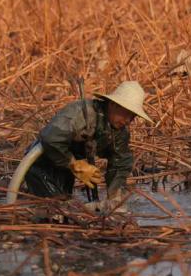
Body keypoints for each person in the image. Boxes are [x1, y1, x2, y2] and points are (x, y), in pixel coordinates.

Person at [24, 81, 153, 205]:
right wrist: (73, 164)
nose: (128, 121)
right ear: (114, 105)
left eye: (132, 117)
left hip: (64, 170)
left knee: (66, 205)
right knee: (54, 207)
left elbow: (120, 162)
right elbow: (51, 138)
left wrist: (114, 197)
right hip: (41, 163)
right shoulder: (79, 114)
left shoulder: (119, 131)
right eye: (126, 114)